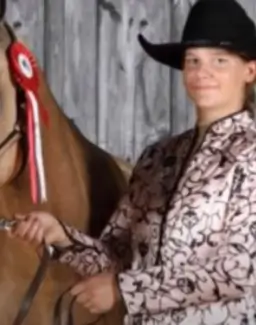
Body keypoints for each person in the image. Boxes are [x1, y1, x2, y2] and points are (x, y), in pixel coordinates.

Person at [9, 0, 256, 324]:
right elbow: (116, 256)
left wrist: (124, 291)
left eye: (219, 61)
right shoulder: (158, 159)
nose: (201, 72)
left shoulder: (251, 154)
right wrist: (61, 236)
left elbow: (241, 272)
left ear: (250, 70)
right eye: (192, 60)